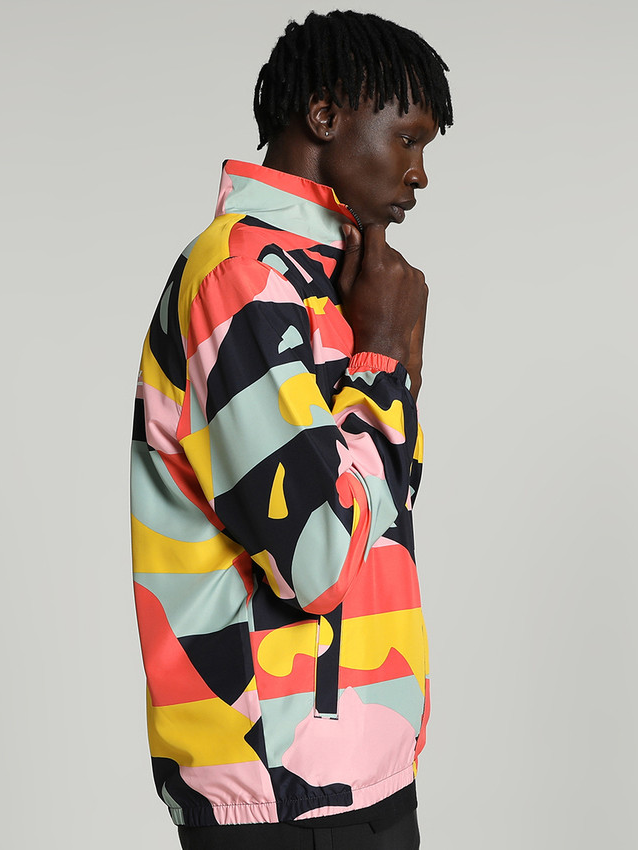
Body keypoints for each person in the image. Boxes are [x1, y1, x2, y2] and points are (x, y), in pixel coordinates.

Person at [130, 10, 452, 849]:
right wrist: (383, 362)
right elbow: (319, 561)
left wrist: (384, 358)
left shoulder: (337, 281)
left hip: (366, 773)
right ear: (324, 115)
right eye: (408, 138)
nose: (420, 174)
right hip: (275, 791)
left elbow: (383, 513)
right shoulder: (238, 281)